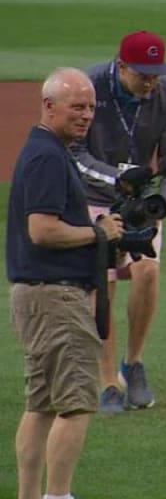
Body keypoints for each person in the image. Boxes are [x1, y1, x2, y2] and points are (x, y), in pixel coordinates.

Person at [7, 67, 125, 499]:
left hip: (36, 294)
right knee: (75, 403)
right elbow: (43, 230)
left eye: (91, 107)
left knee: (40, 405)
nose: (86, 115)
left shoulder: (46, 150)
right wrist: (99, 233)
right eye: (77, 106)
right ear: (49, 105)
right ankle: (58, 495)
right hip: (55, 295)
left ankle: (29, 496)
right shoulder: (47, 157)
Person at [71, 30, 166, 413]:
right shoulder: (91, 87)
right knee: (101, 287)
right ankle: (107, 382)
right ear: (121, 66)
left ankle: (133, 363)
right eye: (143, 74)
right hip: (91, 199)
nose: (152, 81)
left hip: (141, 203)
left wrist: (160, 206)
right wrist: (118, 180)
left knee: (148, 272)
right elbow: (74, 154)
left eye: (157, 72)